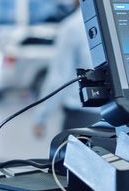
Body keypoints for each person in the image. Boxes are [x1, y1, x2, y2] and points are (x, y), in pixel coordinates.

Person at [32, 8, 98, 138]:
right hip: (125, 119)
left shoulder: (73, 25)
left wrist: (41, 117)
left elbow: (59, 77)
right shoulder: (120, 18)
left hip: (83, 117)